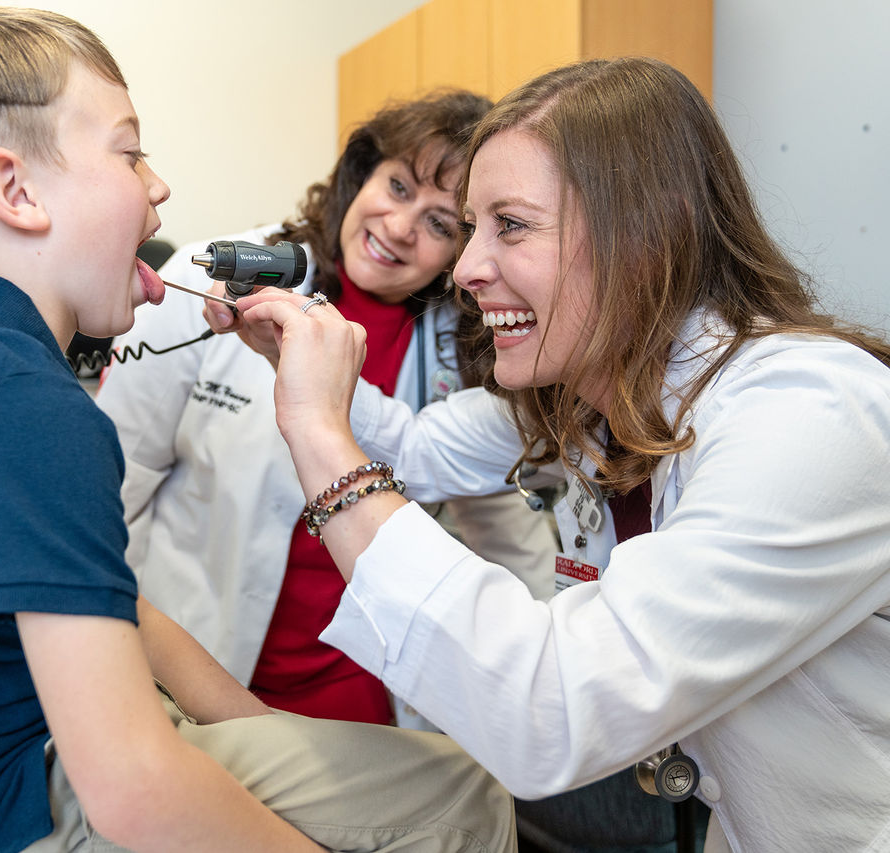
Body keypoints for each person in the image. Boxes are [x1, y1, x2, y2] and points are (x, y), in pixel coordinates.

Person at [0, 4, 517, 852]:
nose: (158, 186)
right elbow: (131, 789)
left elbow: (121, 607)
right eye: (129, 152)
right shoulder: (25, 411)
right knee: (463, 797)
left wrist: (264, 730)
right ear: (14, 190)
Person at [231, 56, 890, 852]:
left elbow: (551, 708)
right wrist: (294, 351)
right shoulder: (589, 402)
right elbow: (410, 446)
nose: (467, 270)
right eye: (471, 229)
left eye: (509, 225)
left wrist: (316, 433)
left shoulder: (809, 414)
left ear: (649, 232)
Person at [96, 90, 558, 728]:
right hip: (199, 666)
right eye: (397, 187)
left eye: (440, 224)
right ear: (360, 175)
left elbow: (499, 521)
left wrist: (543, 663)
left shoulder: (472, 345)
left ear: (465, 250)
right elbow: (117, 485)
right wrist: (111, 660)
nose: (399, 228)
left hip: (360, 689)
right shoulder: (221, 278)